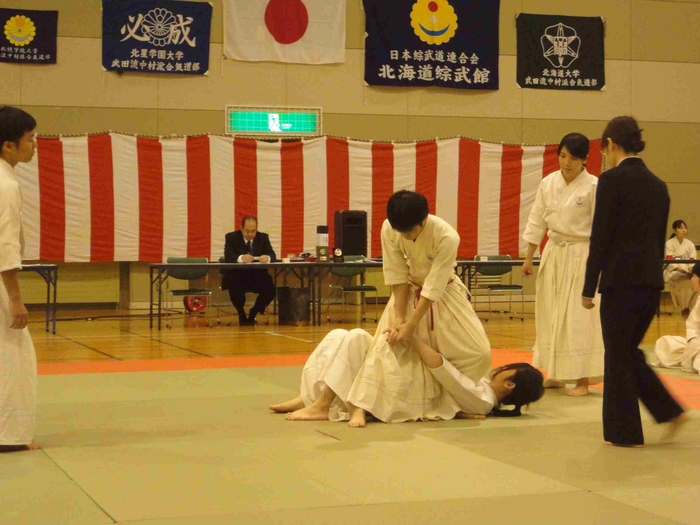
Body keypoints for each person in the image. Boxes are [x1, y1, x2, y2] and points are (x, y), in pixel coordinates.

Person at [582, 116, 688, 447]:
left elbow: (600, 237)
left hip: (619, 282)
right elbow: (657, 241)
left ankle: (625, 434)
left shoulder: (610, 180)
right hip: (650, 283)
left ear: (610, 144)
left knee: (617, 356)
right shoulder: (658, 185)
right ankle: (669, 411)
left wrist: (588, 286)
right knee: (627, 353)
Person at [343, 190, 492, 424]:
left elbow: (434, 285)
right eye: (400, 231)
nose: (405, 236)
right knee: (387, 348)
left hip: (444, 294)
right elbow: (396, 274)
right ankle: (362, 406)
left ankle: (451, 402)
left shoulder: (446, 236)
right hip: (406, 294)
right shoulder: (389, 228)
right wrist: (399, 318)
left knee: (478, 353)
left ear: (423, 220)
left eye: (410, 231)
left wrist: (412, 324)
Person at [271, 329, 544, 427]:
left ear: (510, 383)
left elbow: (444, 372)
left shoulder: (483, 400)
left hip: (404, 390)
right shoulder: (482, 389)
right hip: (409, 378)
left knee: (356, 338)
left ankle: (322, 404)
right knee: (338, 335)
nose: (501, 368)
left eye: (508, 369)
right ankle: (309, 397)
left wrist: (413, 338)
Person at [522, 133, 604, 397]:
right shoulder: (548, 183)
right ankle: (556, 374)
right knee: (551, 312)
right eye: (563, 156)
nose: (566, 163)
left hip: (581, 254)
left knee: (579, 316)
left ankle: (582, 379)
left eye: (573, 158)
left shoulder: (594, 186)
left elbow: (601, 230)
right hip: (554, 252)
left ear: (585, 159)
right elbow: (536, 219)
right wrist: (529, 256)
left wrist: (599, 267)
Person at [0, 106, 39, 452]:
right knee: (13, 355)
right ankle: (8, 435)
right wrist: (14, 297)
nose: (34, 145)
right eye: (30, 139)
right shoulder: (6, 186)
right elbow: (5, 244)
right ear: (8, 146)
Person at [222, 215, 276, 325]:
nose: (250, 234)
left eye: (253, 231)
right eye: (247, 231)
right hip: (238, 275)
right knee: (234, 286)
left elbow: (272, 255)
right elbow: (228, 256)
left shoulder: (263, 237)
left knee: (271, 289)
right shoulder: (231, 237)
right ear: (241, 228)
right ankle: (241, 313)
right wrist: (241, 258)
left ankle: (254, 311)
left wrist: (267, 258)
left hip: (257, 276)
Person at [654, 262, 700, 373]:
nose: (691, 280)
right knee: (664, 342)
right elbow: (693, 328)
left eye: (694, 276)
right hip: (695, 342)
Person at [663, 220, 697, 314]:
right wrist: (684, 272)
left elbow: (692, 260)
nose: (684, 230)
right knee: (684, 280)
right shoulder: (669, 243)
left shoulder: (689, 244)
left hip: (687, 270)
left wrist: (690, 271)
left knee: (696, 281)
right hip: (673, 271)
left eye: (685, 228)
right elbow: (669, 262)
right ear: (674, 230)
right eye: (680, 228)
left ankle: (691, 306)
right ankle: (683, 306)